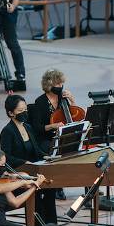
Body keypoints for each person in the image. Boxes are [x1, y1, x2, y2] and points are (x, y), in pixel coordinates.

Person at [1, 94, 57, 224]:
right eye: (20, 111)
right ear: (11, 113)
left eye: (25, 109)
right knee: (37, 193)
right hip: (20, 172)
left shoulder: (28, 127)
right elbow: (6, 156)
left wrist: (46, 156)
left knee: (51, 189)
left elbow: (36, 150)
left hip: (34, 169)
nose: (24, 113)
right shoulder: (7, 131)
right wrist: (24, 162)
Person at [29, 70, 74, 201]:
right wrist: (53, 126)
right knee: (55, 150)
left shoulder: (63, 98)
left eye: (62, 83)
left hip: (64, 135)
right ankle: (57, 187)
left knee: (82, 149)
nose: (61, 86)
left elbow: (76, 116)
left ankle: (88, 186)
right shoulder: (40, 102)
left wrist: (72, 100)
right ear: (49, 85)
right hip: (46, 137)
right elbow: (37, 128)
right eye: (58, 83)